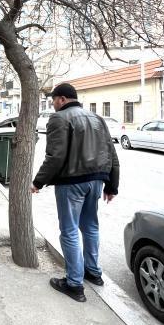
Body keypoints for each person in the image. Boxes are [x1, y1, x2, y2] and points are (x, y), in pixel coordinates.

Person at [31, 83, 119, 303]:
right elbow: (111, 154)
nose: (53, 105)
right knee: (90, 227)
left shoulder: (59, 118)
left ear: (61, 99)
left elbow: (55, 156)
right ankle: (93, 273)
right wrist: (112, 186)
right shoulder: (97, 118)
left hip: (71, 183)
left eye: (53, 100)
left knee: (69, 231)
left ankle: (74, 284)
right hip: (96, 181)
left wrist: (38, 182)